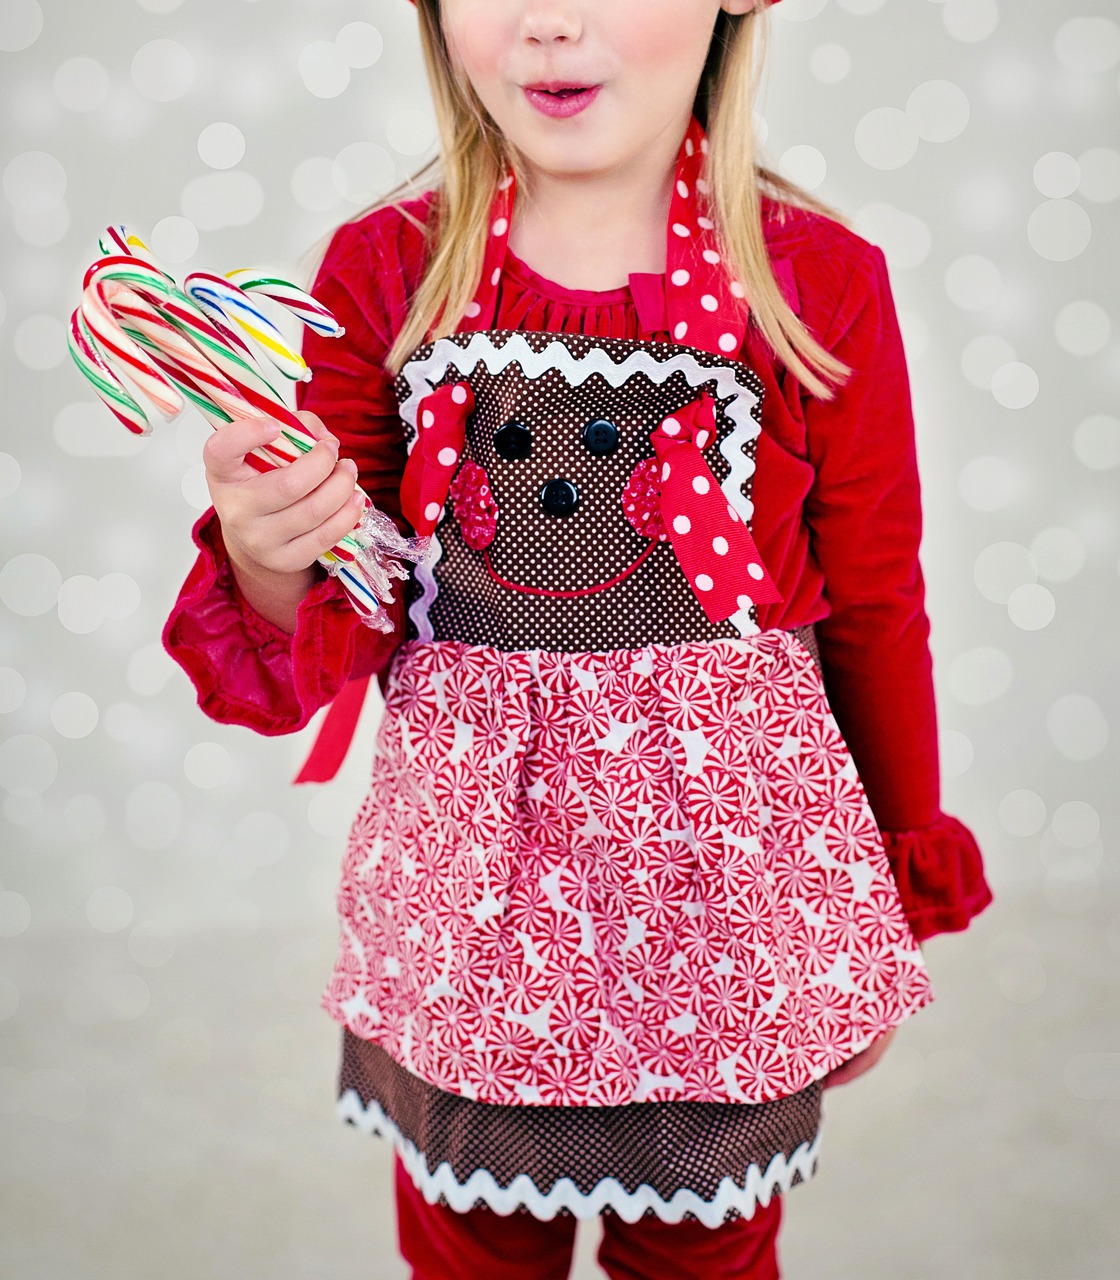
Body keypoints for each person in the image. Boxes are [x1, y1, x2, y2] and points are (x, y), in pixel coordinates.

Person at [163, 0, 994, 1275]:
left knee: (704, 1258)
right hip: (473, 923)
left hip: (731, 926)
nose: (550, 22)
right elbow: (342, 624)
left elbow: (878, 609)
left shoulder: (817, 283)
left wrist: (886, 891)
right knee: (471, 1251)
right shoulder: (383, 275)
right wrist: (273, 557)